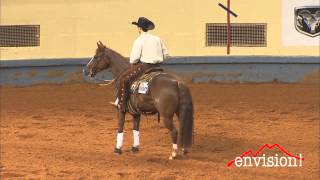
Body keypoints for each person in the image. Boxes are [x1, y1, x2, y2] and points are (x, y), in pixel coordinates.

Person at [111, 17, 169, 112]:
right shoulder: (157, 39)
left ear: (139, 28)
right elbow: (166, 54)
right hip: (158, 67)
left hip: (144, 67)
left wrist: (134, 63)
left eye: (137, 27)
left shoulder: (139, 40)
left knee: (124, 79)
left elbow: (134, 59)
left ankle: (121, 104)